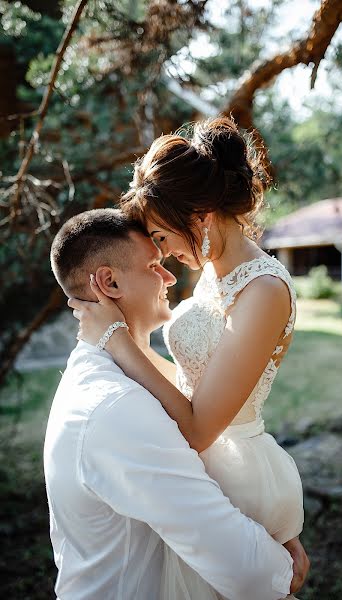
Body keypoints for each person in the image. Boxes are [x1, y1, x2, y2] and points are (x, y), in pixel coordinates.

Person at [69, 117, 308, 599]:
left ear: (199, 215)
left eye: (160, 236)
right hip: (205, 474)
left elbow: (199, 428)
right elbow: (191, 381)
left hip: (238, 477)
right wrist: (118, 340)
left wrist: (120, 343)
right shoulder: (215, 274)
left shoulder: (263, 290)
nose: (163, 253)